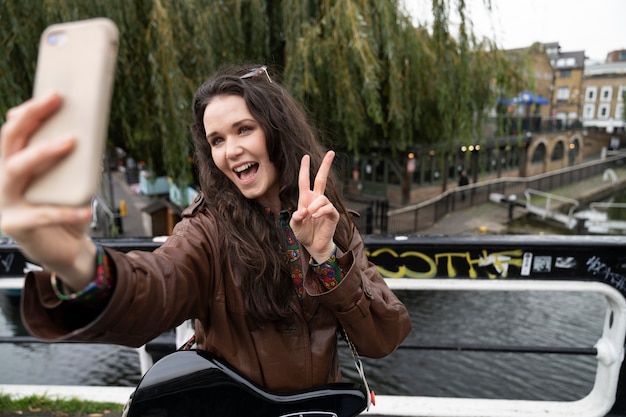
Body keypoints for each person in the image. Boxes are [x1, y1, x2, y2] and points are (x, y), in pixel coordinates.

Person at [0, 64, 411, 393]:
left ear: (277, 131)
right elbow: (156, 286)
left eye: (244, 129)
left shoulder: (328, 219)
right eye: (216, 140)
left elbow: (383, 337)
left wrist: (325, 258)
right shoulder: (207, 230)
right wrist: (75, 261)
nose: (230, 151)